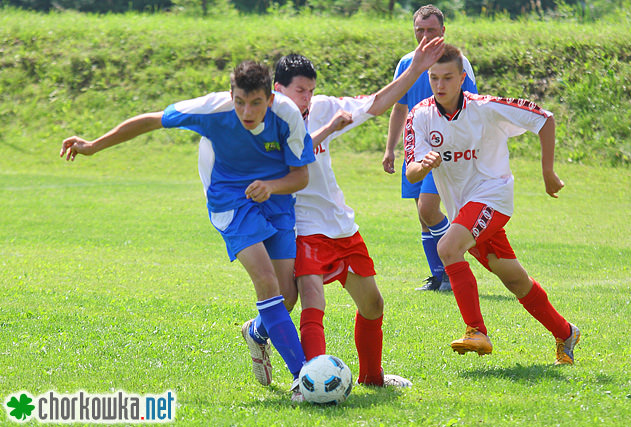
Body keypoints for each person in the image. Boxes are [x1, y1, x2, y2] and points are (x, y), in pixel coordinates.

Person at [59, 61, 315, 398]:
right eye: (239, 101)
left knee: (287, 294)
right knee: (266, 282)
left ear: (270, 99)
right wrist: (93, 146)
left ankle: (256, 331)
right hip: (230, 201)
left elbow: (301, 176)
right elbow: (152, 120)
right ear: (230, 95)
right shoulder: (212, 109)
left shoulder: (287, 116)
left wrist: (270, 186)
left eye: (254, 102)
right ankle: (303, 378)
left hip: (275, 198)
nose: (246, 110)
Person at [269, 36, 445, 386]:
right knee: (312, 303)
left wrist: (416, 68)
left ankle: (371, 378)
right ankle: (309, 383)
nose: (306, 98)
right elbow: (294, 156)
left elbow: (377, 103)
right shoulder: (265, 123)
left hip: (339, 223)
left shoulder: (320, 107)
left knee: (373, 305)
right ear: (278, 89)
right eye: (300, 91)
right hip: (301, 226)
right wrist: (329, 129)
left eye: (310, 91)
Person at [403, 44, 580, 365]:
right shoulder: (420, 116)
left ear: (462, 79)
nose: (440, 85)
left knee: (448, 248)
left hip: (493, 196)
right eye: (434, 79)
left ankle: (476, 331)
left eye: (447, 78)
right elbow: (412, 172)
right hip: (465, 210)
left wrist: (548, 171)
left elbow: (544, 118)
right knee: (514, 279)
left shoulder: (485, 107)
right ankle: (566, 332)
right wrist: (425, 164)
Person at [383, 4, 478, 292]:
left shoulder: (457, 63)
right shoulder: (407, 63)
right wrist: (390, 148)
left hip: (445, 151)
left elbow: (472, 108)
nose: (425, 36)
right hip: (415, 150)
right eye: (419, 30)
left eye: (431, 30)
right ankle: (440, 276)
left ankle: (454, 262)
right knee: (423, 217)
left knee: (428, 208)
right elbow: (400, 107)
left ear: (443, 31)